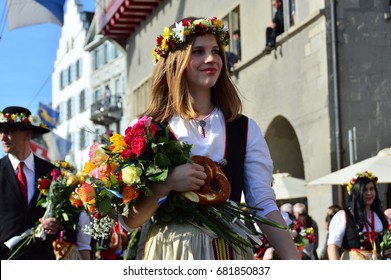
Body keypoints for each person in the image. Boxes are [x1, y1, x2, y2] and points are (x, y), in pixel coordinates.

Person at [120, 16, 300, 260]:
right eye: (198, 51)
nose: (211, 59)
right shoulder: (147, 129)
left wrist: (294, 261)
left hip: (230, 251)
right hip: (172, 253)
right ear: (175, 61)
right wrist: (167, 183)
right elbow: (129, 221)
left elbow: (264, 205)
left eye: (216, 51)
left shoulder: (244, 129)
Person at [0, 106, 60, 259]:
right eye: (1, 132)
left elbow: (64, 217)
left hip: (42, 260)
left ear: (27, 134)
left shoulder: (51, 172)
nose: (3, 138)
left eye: (10, 131)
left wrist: (56, 225)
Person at [327, 172, 389, 260]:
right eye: (365, 190)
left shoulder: (379, 216)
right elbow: (332, 246)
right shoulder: (344, 216)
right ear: (356, 192)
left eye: (371, 189)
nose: (369, 193)